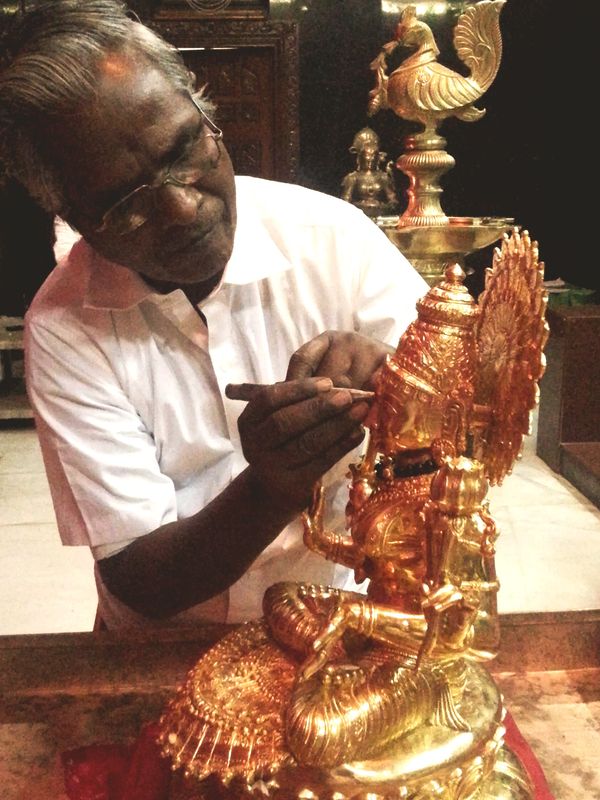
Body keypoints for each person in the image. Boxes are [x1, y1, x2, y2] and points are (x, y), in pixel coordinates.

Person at [0, 0, 426, 628]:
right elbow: (141, 581)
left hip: (330, 629)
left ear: (206, 113)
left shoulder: (333, 236)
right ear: (70, 216)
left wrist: (403, 389)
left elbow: (465, 425)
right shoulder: (65, 326)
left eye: (183, 147)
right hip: (165, 649)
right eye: (123, 201)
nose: (181, 208)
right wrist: (273, 486)